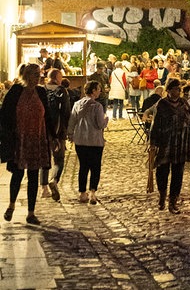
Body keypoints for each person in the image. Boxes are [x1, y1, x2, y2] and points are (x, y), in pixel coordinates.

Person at [0, 63, 55, 225]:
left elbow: (47, 115)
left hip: (37, 140)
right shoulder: (16, 91)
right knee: (17, 174)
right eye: (35, 74)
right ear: (27, 75)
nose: (38, 78)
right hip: (19, 140)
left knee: (33, 176)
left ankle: (31, 213)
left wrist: (55, 136)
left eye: (39, 74)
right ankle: (11, 205)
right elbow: (4, 115)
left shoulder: (41, 92)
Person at [149, 79, 190, 214]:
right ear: (168, 90)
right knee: (162, 171)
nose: (178, 91)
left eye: (179, 89)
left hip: (181, 142)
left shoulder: (183, 103)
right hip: (166, 142)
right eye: (175, 89)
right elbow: (156, 124)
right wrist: (153, 142)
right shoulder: (162, 104)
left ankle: (173, 201)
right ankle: (162, 195)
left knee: (178, 173)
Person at [67, 81, 109, 205]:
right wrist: (106, 119)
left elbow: (72, 121)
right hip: (95, 141)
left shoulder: (77, 104)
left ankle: (82, 193)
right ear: (93, 91)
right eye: (98, 89)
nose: (100, 91)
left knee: (83, 167)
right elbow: (100, 124)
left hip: (80, 140)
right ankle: (92, 193)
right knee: (95, 167)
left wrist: (70, 135)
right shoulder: (97, 106)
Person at [40, 68, 71, 202]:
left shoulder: (42, 90)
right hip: (58, 131)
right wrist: (68, 130)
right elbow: (66, 112)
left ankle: (44, 189)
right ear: (58, 78)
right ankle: (54, 179)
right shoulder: (62, 91)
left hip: (44, 130)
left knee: (45, 160)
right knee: (59, 159)